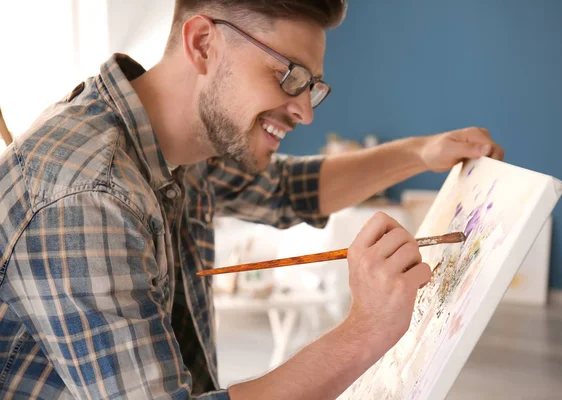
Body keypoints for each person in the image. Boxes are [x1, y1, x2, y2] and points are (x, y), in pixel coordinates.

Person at [0, 1, 504, 398]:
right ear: (202, 44)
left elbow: (291, 190)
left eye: (312, 86)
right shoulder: (87, 194)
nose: (306, 112)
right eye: (288, 76)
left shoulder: (179, 143)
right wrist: (367, 329)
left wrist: (421, 152)